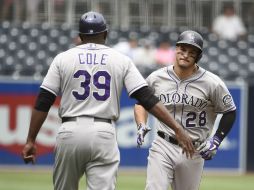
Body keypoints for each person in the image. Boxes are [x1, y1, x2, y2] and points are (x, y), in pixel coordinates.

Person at [21, 11, 195, 190]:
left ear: (80, 36)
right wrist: (177, 128)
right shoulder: (121, 60)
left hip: (69, 131)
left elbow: (43, 101)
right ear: (105, 34)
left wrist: (30, 140)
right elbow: (147, 98)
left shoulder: (62, 59)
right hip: (103, 133)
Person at [134, 30, 236, 190]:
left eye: (192, 52)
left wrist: (216, 140)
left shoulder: (212, 83)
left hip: (193, 149)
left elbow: (230, 111)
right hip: (163, 144)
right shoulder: (157, 77)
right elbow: (141, 102)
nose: (185, 54)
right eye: (182, 49)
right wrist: (141, 124)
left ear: (198, 56)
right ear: (176, 50)